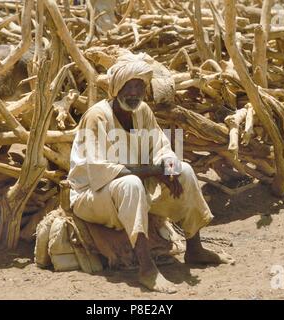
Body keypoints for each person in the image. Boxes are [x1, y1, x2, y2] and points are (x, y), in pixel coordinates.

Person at [67, 53, 234, 293]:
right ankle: (147, 270)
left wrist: (167, 167)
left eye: (139, 86)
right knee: (131, 183)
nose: (134, 92)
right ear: (116, 87)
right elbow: (99, 171)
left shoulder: (142, 111)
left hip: (131, 187)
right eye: (129, 86)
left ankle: (195, 248)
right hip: (93, 195)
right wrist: (154, 171)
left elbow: (161, 147)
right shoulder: (97, 116)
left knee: (184, 170)